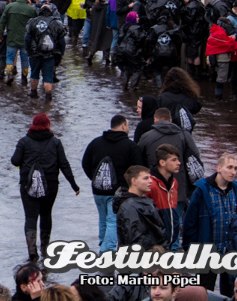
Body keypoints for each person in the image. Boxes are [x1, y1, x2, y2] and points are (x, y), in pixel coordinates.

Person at [10, 113, 80, 261]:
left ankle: (32, 251)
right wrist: (74, 185)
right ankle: (45, 249)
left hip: (28, 185)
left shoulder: (24, 141)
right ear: (48, 125)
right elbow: (64, 164)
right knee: (46, 214)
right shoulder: (55, 142)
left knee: (30, 216)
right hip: (51, 184)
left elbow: (15, 161)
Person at [182, 153, 237, 296]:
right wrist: (190, 250)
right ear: (219, 168)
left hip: (230, 251)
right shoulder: (202, 191)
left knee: (230, 292)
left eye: (235, 168)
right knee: (204, 291)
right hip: (208, 251)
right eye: (229, 167)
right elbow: (190, 223)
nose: (233, 172)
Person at [81, 114, 143, 252]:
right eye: (127, 125)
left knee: (103, 219)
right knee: (112, 221)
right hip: (119, 192)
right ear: (123, 126)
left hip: (98, 191)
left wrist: (95, 179)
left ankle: (102, 244)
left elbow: (85, 163)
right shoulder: (130, 146)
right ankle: (106, 252)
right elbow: (138, 169)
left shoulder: (95, 143)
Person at [138, 107, 201, 221]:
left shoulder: (146, 137)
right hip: (179, 189)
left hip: (153, 189)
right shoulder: (184, 135)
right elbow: (195, 156)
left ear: (155, 120)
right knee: (175, 224)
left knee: (156, 225)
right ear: (171, 120)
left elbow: (138, 161)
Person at [114, 165, 165, 248]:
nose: (151, 181)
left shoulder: (147, 201)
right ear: (133, 181)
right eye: (146, 178)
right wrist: (153, 247)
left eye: (150, 178)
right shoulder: (129, 207)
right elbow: (133, 237)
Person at [24, 3, 67, 101]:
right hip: (50, 54)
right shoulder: (56, 23)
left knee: (34, 74)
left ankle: (33, 93)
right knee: (48, 76)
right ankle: (48, 97)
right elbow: (62, 41)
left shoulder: (33, 22)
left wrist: (28, 50)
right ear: (51, 11)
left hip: (34, 54)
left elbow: (27, 38)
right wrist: (61, 53)